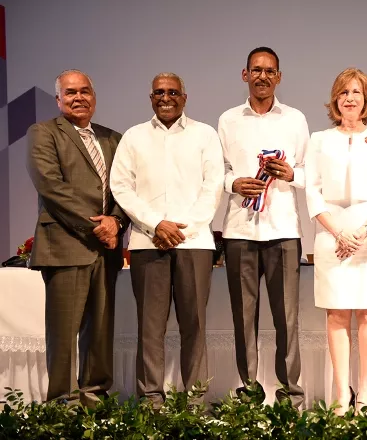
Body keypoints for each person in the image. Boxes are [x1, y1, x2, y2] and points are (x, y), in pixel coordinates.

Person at [110, 72, 224, 407]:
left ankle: (195, 401)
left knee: (195, 326)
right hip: (147, 244)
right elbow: (121, 187)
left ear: (184, 97)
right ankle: (151, 401)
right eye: (159, 92)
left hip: (194, 244)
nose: (166, 97)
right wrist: (156, 224)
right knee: (150, 328)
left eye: (173, 92)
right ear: (150, 97)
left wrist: (180, 230)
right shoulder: (134, 137)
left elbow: (212, 187)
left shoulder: (205, 135)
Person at [26, 69, 128, 406]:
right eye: (70, 92)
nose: (78, 97)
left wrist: (115, 221)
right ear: (58, 100)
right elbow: (51, 187)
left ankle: (94, 398)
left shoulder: (113, 138)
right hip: (66, 246)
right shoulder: (43, 133)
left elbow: (126, 189)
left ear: (94, 98)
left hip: (106, 249)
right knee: (64, 335)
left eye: (84, 91)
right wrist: (96, 226)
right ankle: (62, 405)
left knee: (99, 332)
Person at [218, 47, 308, 408]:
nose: (263, 77)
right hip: (240, 230)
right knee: (244, 320)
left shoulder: (296, 120)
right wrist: (233, 184)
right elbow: (218, 171)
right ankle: (249, 393)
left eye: (270, 71)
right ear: (245, 75)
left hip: (283, 230)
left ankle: (290, 396)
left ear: (279, 77)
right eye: (256, 70)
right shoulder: (227, 120)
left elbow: (309, 172)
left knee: (287, 320)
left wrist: (291, 174)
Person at [306, 68, 367, 415]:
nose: (350, 98)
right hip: (331, 234)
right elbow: (313, 192)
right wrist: (338, 232)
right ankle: (341, 396)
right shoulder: (319, 139)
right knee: (337, 314)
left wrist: (362, 230)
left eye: (357, 92)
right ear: (335, 99)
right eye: (344, 92)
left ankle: (365, 394)